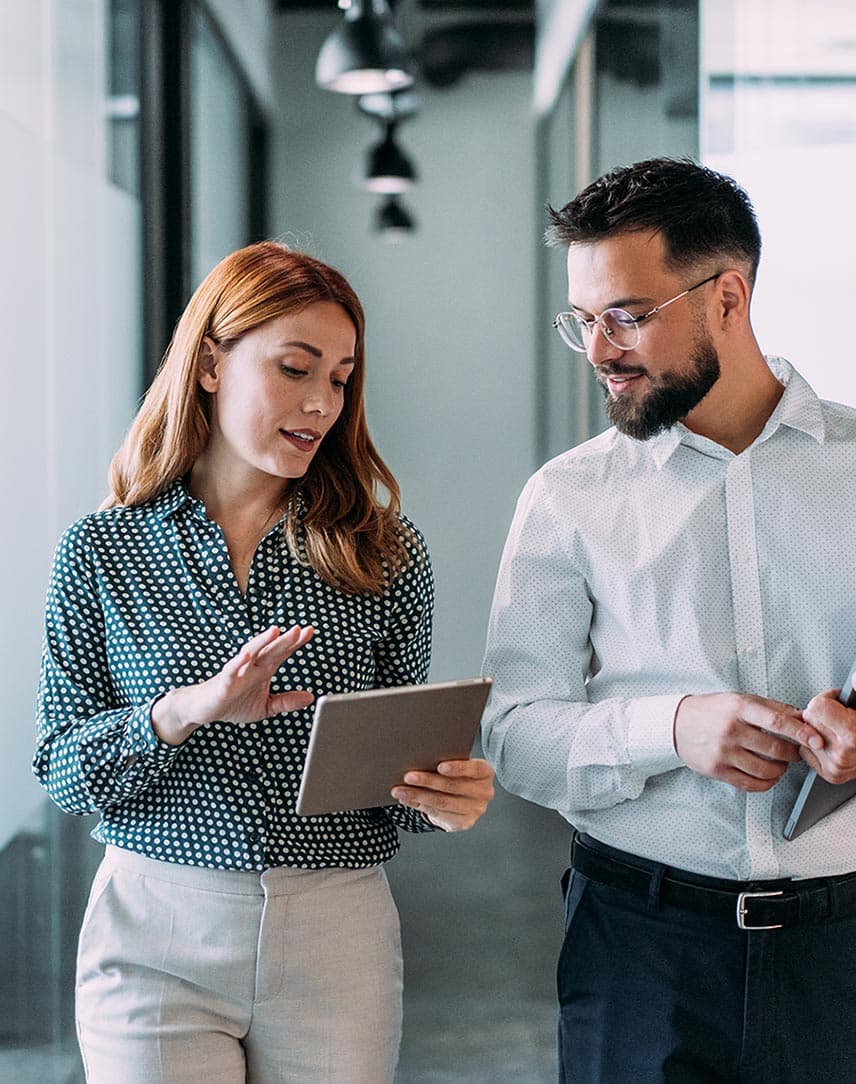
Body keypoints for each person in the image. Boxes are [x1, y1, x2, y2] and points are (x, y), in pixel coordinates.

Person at [33, 240, 495, 1084]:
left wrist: (445, 798)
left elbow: (397, 786)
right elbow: (64, 771)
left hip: (336, 932)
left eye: (341, 377)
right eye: (295, 368)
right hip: (155, 926)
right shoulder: (102, 551)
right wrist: (184, 710)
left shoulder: (385, 555)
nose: (322, 402)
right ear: (211, 363)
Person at [481, 157, 856, 1083]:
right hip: (639, 948)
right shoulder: (567, 498)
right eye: (585, 321)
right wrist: (672, 729)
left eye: (628, 315)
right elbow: (512, 735)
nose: (602, 348)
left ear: (727, 296)